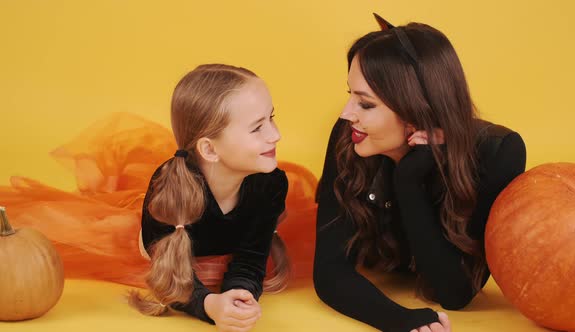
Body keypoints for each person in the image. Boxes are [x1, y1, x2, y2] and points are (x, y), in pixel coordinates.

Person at [313, 14, 527, 332]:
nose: (347, 115)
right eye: (350, 96)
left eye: (366, 104)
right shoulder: (351, 137)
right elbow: (330, 271)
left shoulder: (499, 152)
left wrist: (408, 179)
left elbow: (455, 293)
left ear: (417, 110)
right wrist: (398, 319)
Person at [127, 64, 289, 331]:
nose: (276, 135)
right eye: (257, 127)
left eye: (271, 118)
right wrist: (209, 304)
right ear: (210, 149)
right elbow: (170, 278)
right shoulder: (169, 192)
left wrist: (239, 297)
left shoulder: (269, 184)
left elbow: (251, 256)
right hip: (166, 261)